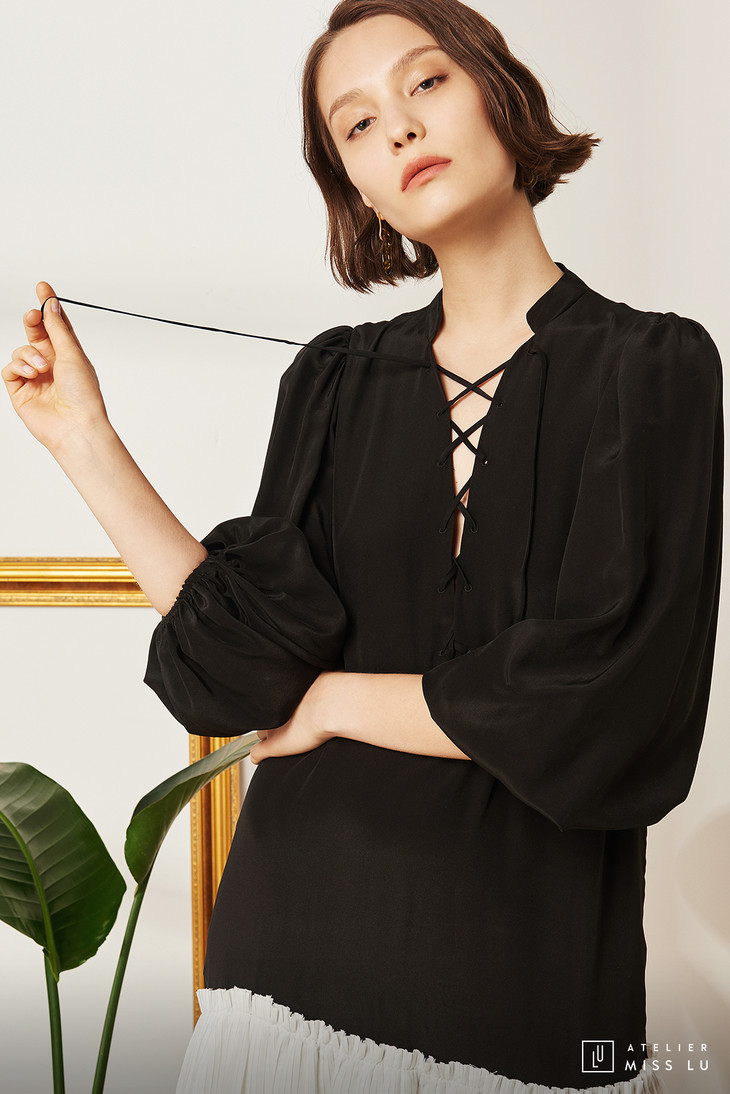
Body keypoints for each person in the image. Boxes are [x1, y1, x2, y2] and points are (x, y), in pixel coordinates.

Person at [3, 1, 723, 1092]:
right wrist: (85, 441)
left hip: (528, 1010)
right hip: (280, 985)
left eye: (425, 83)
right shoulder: (333, 379)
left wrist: (337, 701)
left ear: (499, 91)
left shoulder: (654, 367)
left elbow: (616, 706)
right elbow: (244, 667)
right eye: (356, 124)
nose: (399, 128)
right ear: (356, 188)